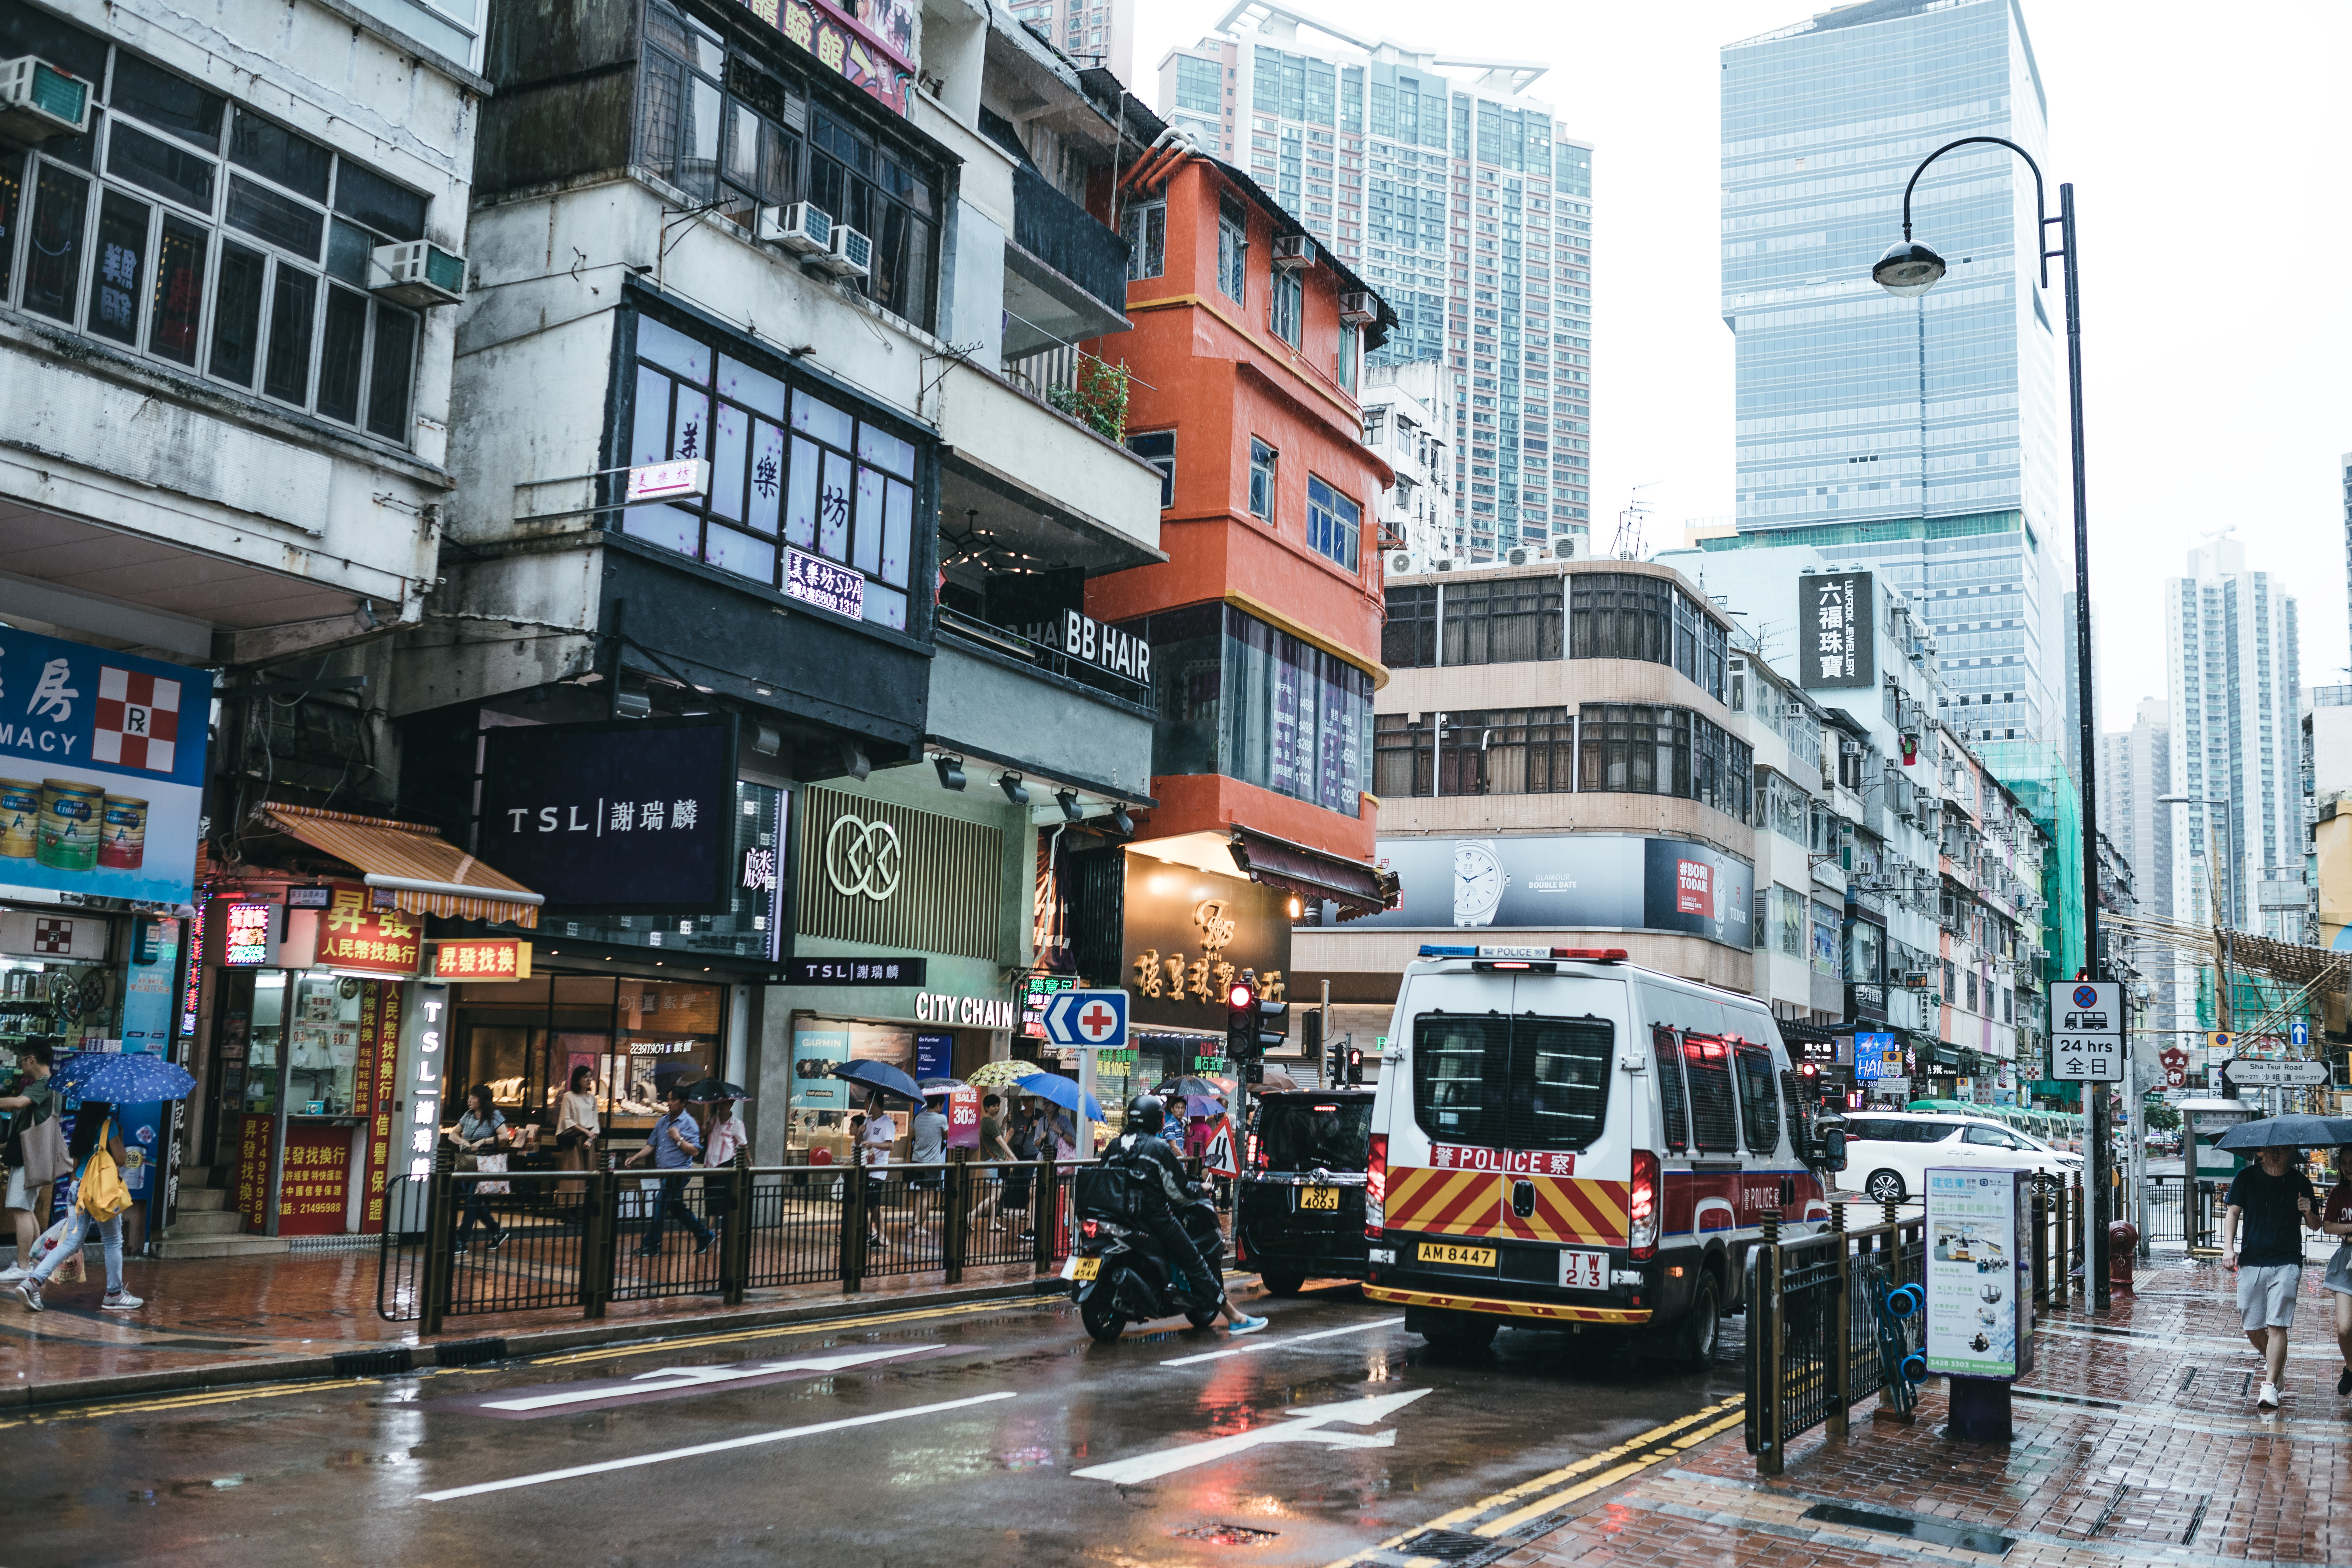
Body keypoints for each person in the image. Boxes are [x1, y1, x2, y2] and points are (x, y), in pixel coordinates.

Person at [1100, 1094, 1265, 1336]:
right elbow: (1180, 1192)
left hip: (1118, 1218)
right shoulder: (1157, 1148)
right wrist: (1203, 1188)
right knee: (1195, 1261)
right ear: (1154, 1120)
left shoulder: (1114, 1146)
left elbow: (1104, 1178)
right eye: (1161, 1117)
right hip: (1156, 1220)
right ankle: (1235, 1317)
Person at [2222, 1142, 2324, 1409]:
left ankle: (2269, 1387)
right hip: (2253, 1259)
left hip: (2287, 1260)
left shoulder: (2300, 1181)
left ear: (2291, 1152)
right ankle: (2277, 1364)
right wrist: (2228, 1248)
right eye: (2271, 1150)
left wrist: (2307, 1210)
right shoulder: (2246, 1177)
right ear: (2261, 1152)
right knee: (2252, 1325)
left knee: (2278, 1323)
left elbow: (2316, 1225)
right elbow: (2233, 1212)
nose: (2276, 1154)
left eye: (2283, 1149)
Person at [13, 1099, 139, 1313]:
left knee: (71, 1242)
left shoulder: (82, 1128)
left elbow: (76, 1165)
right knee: (113, 1241)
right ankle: (115, 1295)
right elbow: (121, 1159)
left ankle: (32, 1282)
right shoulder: (110, 1126)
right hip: (100, 1192)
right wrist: (120, 1136)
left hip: (78, 1189)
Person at [626, 1085, 713, 1257]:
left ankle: (652, 1245)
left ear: (683, 1103)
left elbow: (695, 1151)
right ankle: (705, 1235)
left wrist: (678, 1138)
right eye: (669, 1099)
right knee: (676, 1209)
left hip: (678, 1174)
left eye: (673, 1100)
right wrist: (636, 1157)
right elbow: (652, 1145)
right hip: (665, 1174)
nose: (669, 1102)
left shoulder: (689, 1124)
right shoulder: (663, 1122)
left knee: (660, 1205)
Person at [0, 1043, 58, 1284]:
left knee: (20, 1209)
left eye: (23, 1060)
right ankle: (34, 1262)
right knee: (27, 1209)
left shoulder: (44, 1085)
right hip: (35, 1155)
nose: (21, 1065)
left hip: (30, 1155)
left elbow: (16, 1104)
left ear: (32, 1060)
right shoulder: (50, 1084)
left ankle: (24, 1265)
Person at [451, 1086, 510, 1256]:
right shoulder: (468, 1116)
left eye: (473, 1097)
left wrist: (483, 1141)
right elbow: (453, 1135)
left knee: (471, 1200)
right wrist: (464, 1143)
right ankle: (498, 1232)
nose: (469, 1100)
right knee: (474, 1202)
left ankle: (461, 1242)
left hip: (484, 1164)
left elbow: (505, 1137)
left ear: (482, 1099)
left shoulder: (494, 1115)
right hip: (467, 1163)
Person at [2320, 1145, 2352, 1397]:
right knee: (2344, 1328)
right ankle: (2351, 1368)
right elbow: (2328, 1225)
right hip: (2347, 1263)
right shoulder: (2338, 1193)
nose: (2348, 1166)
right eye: (2344, 1162)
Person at [553, 1065, 600, 1200]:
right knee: (573, 1175)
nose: (589, 1080)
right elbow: (566, 1119)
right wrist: (586, 1132)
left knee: (589, 1174)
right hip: (574, 1140)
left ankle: (584, 1209)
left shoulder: (593, 1099)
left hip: (588, 1141)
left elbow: (596, 1122)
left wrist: (590, 1139)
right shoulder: (569, 1097)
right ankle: (569, 1208)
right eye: (585, 1077)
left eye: (590, 1076)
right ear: (578, 1080)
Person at [859, 1099, 898, 1247]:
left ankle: (883, 1237)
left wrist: (873, 1144)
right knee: (867, 1203)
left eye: (866, 1102)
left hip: (879, 1170)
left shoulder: (886, 1123)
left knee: (874, 1204)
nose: (864, 1106)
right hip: (866, 1168)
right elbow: (860, 1142)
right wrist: (860, 1133)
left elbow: (890, 1145)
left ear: (874, 1104)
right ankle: (873, 1233)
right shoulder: (868, 1122)